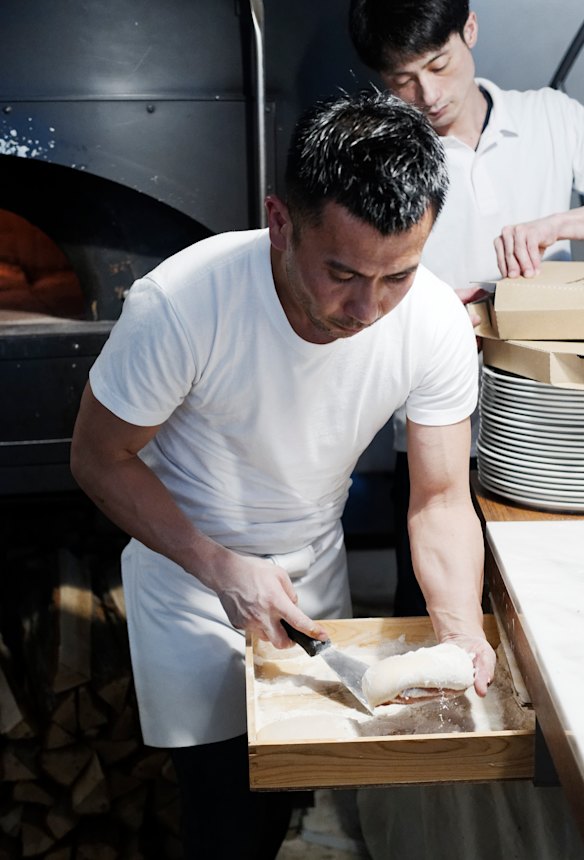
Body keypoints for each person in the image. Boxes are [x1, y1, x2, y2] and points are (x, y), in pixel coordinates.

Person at [70, 89, 495, 860]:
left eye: (396, 275)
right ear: (279, 220)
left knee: (296, 799)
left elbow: (438, 502)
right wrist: (219, 568)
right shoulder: (183, 303)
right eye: (342, 273)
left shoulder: (431, 320)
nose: (368, 309)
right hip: (196, 579)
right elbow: (97, 457)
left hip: (314, 580)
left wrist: (459, 625)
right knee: (227, 818)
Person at [349, 0, 584, 617]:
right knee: (434, 610)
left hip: (551, 429)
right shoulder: (378, 157)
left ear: (470, 31)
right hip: (430, 435)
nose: (427, 96)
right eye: (402, 80)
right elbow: (345, 289)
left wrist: (561, 225)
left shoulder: (552, 117)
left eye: (439, 66)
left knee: (549, 606)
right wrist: (418, 305)